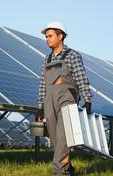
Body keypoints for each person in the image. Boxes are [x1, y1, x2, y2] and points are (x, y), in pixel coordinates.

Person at [37, 21, 93, 175]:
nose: (47, 39)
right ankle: (68, 169)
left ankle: (59, 173)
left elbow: (81, 78)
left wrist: (88, 99)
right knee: (56, 141)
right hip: (49, 101)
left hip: (67, 100)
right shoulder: (46, 60)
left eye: (50, 36)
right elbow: (43, 83)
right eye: (46, 36)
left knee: (63, 138)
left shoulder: (72, 55)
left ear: (60, 36)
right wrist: (41, 104)